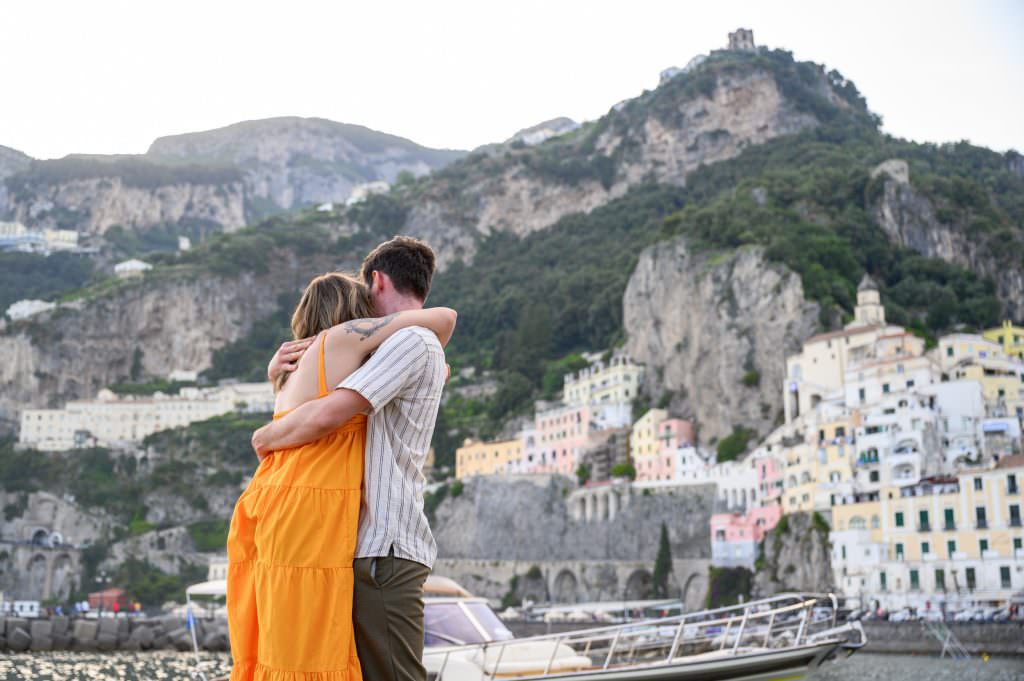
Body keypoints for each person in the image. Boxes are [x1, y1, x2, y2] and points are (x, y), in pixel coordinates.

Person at [228, 260, 456, 681]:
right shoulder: (343, 341)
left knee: (290, 649)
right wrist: (262, 436)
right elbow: (444, 319)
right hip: (311, 512)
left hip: (271, 503)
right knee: (318, 652)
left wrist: (269, 379)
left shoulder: (293, 371)